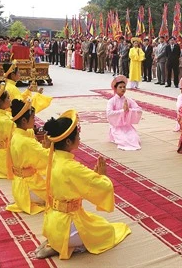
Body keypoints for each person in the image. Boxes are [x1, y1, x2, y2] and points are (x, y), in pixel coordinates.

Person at [35, 109, 131, 259]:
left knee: (96, 221)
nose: (79, 138)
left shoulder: (52, 158)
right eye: (77, 135)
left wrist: (93, 177)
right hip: (67, 225)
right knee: (108, 231)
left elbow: (77, 183)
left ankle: (54, 241)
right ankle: (65, 245)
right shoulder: (71, 167)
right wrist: (102, 176)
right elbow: (104, 187)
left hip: (51, 222)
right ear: (68, 141)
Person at [6, 99, 49, 215]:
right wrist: (50, 147)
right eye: (33, 117)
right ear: (24, 120)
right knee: (61, 187)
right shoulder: (26, 142)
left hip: (19, 186)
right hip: (28, 189)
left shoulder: (16, 134)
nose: (35, 120)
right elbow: (48, 158)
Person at [106, 75, 142, 150]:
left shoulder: (128, 100)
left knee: (135, 139)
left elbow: (139, 109)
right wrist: (122, 111)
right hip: (116, 127)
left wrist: (130, 110)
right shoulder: (111, 101)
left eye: (124, 87)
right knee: (124, 140)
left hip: (127, 126)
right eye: (120, 87)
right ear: (115, 89)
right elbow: (109, 113)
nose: (123, 89)